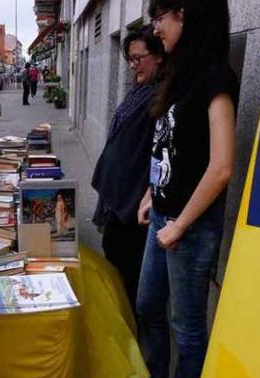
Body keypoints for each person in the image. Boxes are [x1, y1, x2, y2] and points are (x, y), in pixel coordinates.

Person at [135, 0, 239, 378]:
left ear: (188, 14)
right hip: (162, 216)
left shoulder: (215, 76)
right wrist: (149, 194)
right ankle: (159, 375)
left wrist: (180, 224)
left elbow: (222, 167)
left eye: (161, 16)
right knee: (147, 304)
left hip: (189, 227)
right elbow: (168, 150)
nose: (155, 26)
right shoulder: (178, 74)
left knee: (188, 322)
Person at [90, 25, 165, 357]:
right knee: (115, 261)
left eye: (139, 58)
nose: (133, 65)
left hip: (136, 201)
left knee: (129, 271)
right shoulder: (139, 91)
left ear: (159, 57)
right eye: (129, 59)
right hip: (118, 197)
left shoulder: (164, 95)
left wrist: (145, 193)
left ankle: (131, 344)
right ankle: (122, 332)